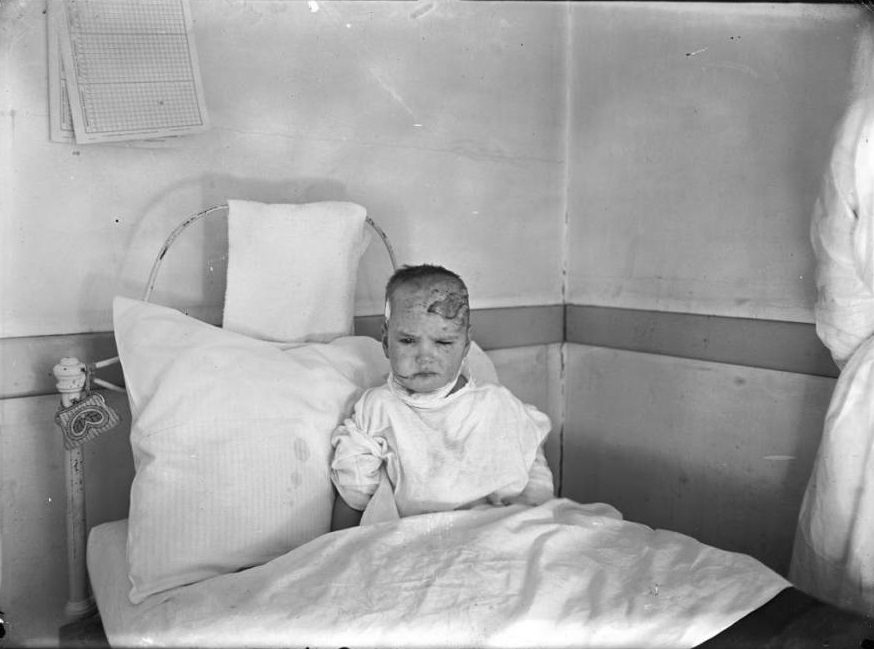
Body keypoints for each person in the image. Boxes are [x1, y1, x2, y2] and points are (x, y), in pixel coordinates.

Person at [330, 264, 554, 530]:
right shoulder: (378, 408)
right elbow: (353, 494)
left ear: (465, 344)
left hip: (496, 532)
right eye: (408, 341)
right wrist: (337, 553)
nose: (425, 356)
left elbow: (535, 478)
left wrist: (533, 525)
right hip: (415, 538)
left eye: (443, 343)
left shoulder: (496, 405)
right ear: (385, 341)